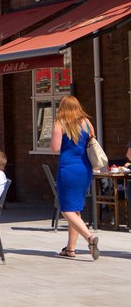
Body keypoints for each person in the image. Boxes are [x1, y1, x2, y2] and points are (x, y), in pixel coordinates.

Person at [51, 95, 99, 260]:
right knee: (75, 208)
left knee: (66, 209)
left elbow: (55, 148)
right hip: (85, 169)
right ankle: (70, 249)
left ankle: (89, 237)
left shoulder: (60, 124)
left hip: (68, 169)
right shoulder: (86, 122)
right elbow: (93, 141)